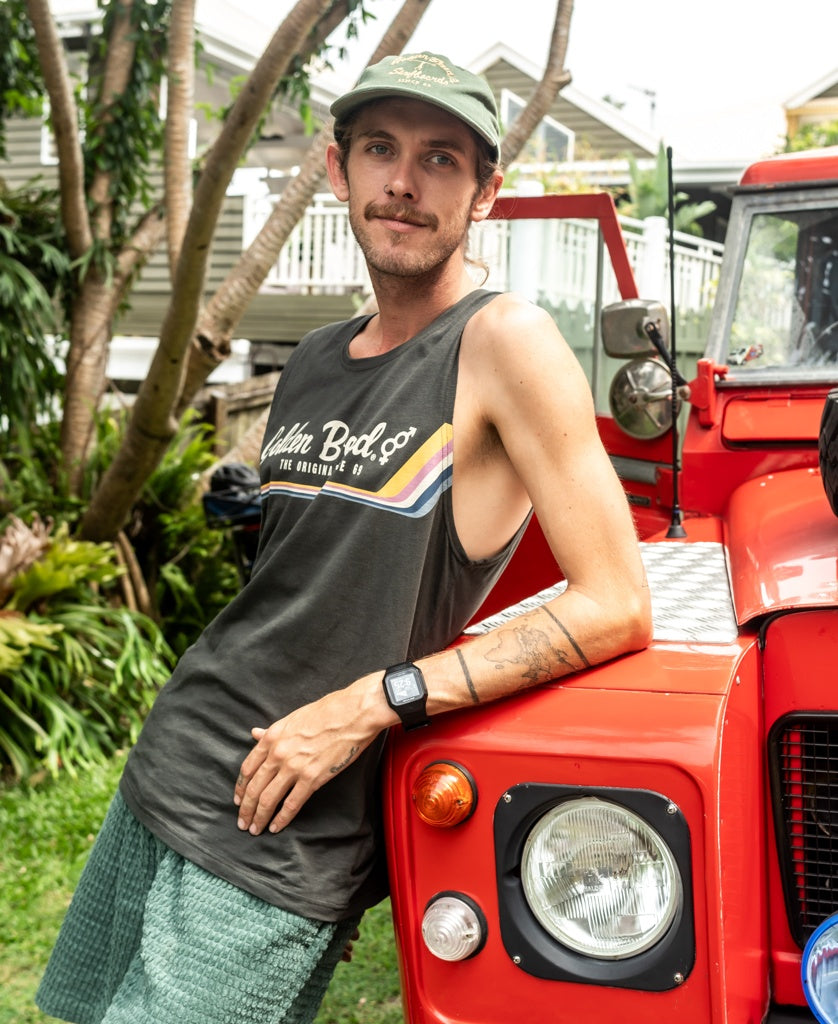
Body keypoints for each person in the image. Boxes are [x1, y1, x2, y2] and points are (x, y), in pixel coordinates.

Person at [36, 51, 652, 1024]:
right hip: (175, 753)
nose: (403, 181)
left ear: (484, 191)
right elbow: (314, 576)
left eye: (441, 158)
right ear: (340, 171)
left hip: (289, 817)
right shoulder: (317, 356)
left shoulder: (502, 342)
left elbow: (614, 602)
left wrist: (373, 703)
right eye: (380, 149)